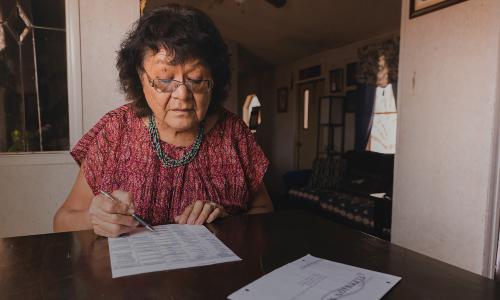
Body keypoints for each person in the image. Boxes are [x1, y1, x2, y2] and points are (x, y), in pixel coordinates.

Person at [53, 4, 273, 237]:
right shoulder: (114, 131)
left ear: (213, 80)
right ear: (140, 78)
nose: (182, 95)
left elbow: (265, 209)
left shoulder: (233, 133)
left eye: (196, 79)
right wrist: (94, 219)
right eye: (165, 79)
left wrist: (228, 220)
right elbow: (60, 221)